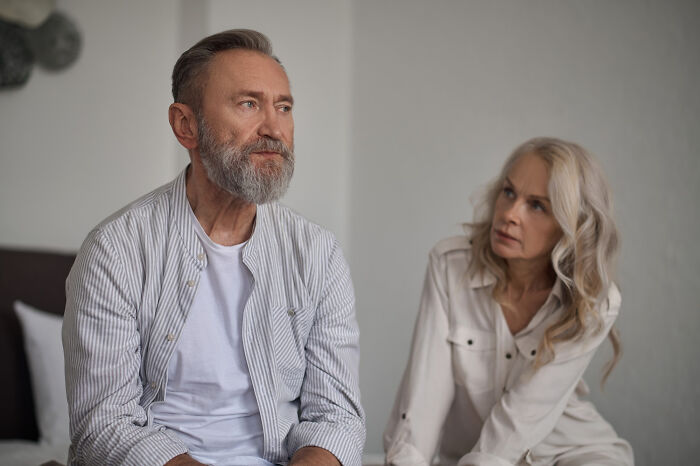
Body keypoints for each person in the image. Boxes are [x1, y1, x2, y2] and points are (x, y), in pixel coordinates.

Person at [62, 29, 365, 466]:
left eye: (284, 107)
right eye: (249, 104)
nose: (274, 128)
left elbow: (335, 416)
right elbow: (105, 425)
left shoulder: (317, 253)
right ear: (186, 125)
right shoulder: (116, 250)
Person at [384, 137, 633, 465]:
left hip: (573, 453)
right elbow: (423, 397)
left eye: (538, 206)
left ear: (571, 226)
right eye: (509, 192)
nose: (511, 214)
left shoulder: (594, 300)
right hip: (469, 456)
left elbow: (521, 417)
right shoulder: (450, 265)